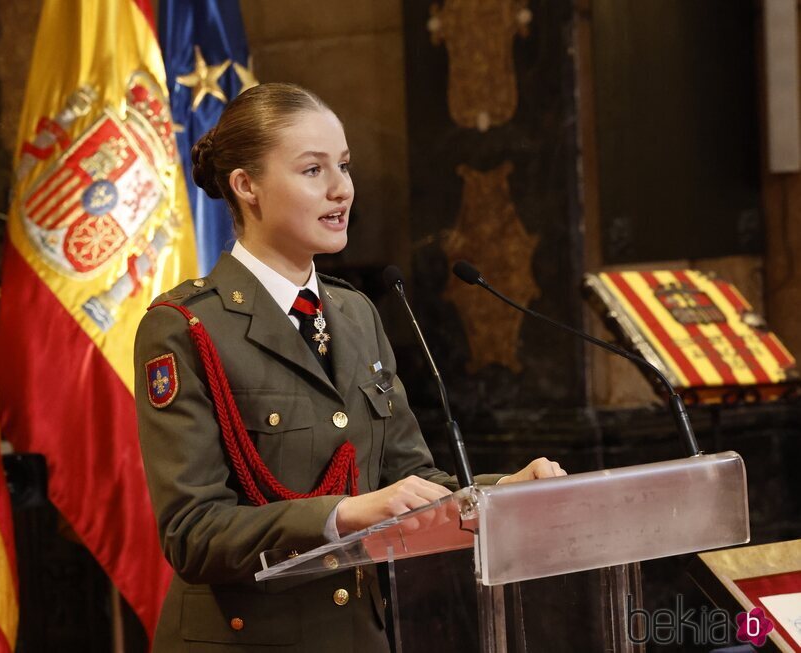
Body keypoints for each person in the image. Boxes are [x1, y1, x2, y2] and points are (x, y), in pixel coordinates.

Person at [134, 82, 566, 652]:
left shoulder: (356, 313)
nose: (342, 190)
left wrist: (499, 494)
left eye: (344, 165)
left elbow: (410, 480)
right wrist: (343, 514)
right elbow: (192, 533)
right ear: (247, 187)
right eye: (313, 171)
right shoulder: (186, 327)